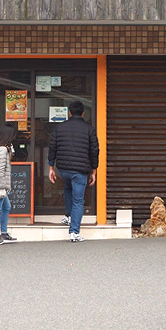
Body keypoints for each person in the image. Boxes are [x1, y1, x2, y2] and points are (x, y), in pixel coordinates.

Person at [48, 100, 99, 243]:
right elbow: (94, 151)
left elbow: (53, 147)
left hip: (63, 168)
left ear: (70, 113)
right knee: (78, 200)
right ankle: (74, 231)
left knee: (67, 189)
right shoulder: (89, 129)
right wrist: (94, 171)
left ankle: (69, 216)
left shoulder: (60, 128)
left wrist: (51, 167)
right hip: (79, 170)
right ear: (83, 113)